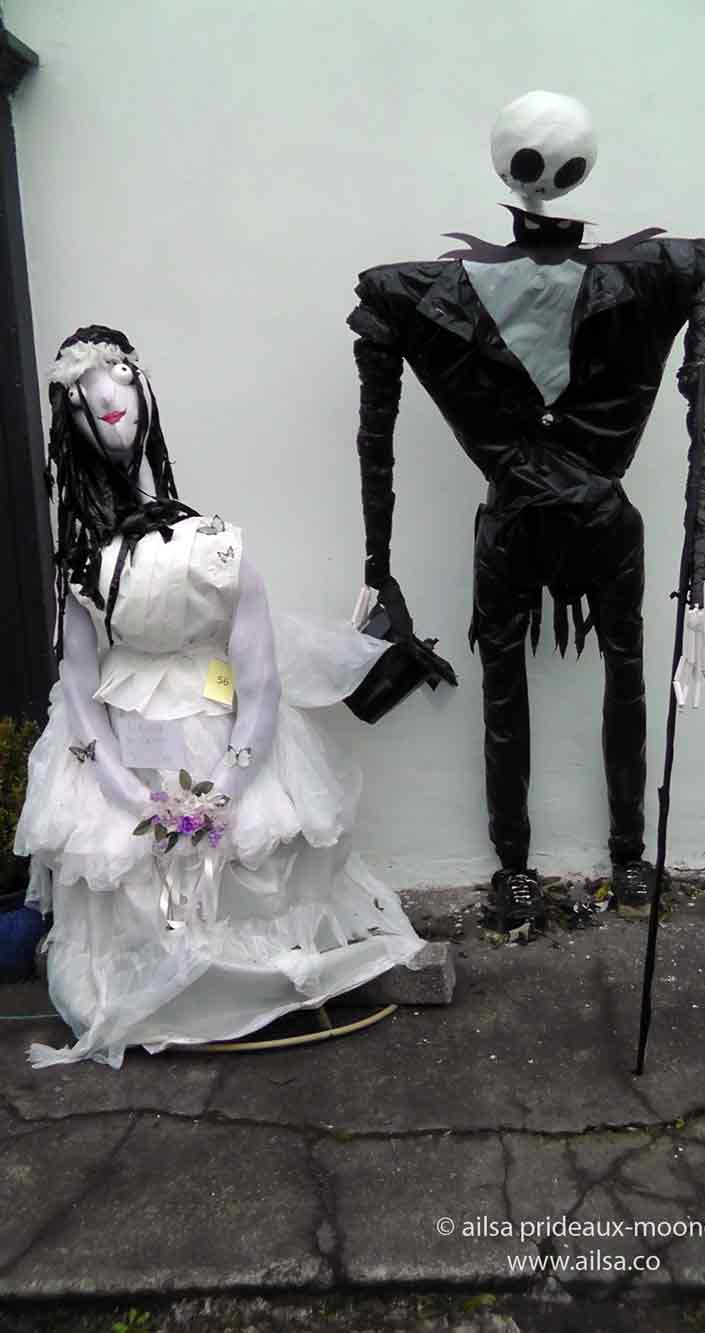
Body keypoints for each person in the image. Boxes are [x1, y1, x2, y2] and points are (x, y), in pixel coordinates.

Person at [348, 91, 705, 930]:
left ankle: (599, 856)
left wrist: (378, 567)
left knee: (557, 683)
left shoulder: (429, 291)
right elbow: (704, 376)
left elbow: (379, 405)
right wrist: (377, 569)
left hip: (554, 517)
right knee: (568, 681)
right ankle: (569, 859)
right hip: (556, 518)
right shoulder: (657, 274)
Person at [15, 324, 423, 1068]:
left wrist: (231, 781)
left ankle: (253, 975)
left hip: (216, 731)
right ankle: (158, 983)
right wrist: (122, 789)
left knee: (249, 854)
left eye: (122, 384)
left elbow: (258, 677)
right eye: (88, 399)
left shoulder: (217, 545)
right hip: (128, 741)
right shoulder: (82, 566)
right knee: (127, 864)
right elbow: (78, 684)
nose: (110, 404)